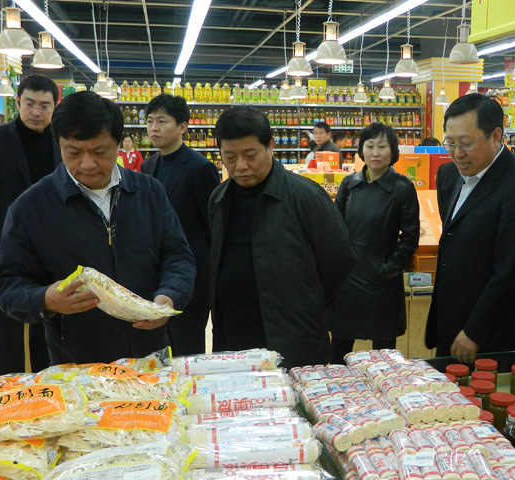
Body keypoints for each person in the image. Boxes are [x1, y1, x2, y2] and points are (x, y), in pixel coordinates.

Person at [0, 91, 196, 366]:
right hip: (78, 365)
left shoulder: (149, 192)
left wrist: (170, 296)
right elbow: (8, 287)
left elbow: (178, 255)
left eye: (100, 152)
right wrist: (45, 300)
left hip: (150, 354)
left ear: (119, 143)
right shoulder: (31, 207)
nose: (87, 164)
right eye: (73, 152)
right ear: (59, 144)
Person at [209, 106, 352, 368]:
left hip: (293, 342)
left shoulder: (305, 196)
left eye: (249, 155)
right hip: (233, 339)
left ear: (270, 146)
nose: (240, 166)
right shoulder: (219, 198)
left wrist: (306, 306)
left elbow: (338, 262)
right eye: (229, 157)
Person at [426, 93, 515, 359]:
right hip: (450, 322)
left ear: (495, 136)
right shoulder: (448, 174)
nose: (457, 154)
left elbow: (513, 271)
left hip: (494, 336)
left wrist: (475, 332)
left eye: (466, 143)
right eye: (450, 143)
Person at [0, 74, 61, 377]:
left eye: (44, 106)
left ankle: (50, 391)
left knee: (49, 333)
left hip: (52, 252)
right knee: (6, 336)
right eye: (30, 104)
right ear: (18, 103)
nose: (36, 112)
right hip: (7, 251)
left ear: (54, 107)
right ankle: (1, 394)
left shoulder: (63, 141)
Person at [328, 123, 420, 363]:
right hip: (348, 278)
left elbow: (410, 236)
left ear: (393, 151)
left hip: (382, 281)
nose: (375, 153)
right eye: (369, 146)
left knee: (384, 354)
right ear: (361, 150)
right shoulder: (349, 183)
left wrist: (388, 269)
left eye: (382, 146)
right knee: (339, 350)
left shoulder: (403, 187)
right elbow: (335, 228)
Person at [142, 94, 220, 355]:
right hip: (157, 273)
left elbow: (212, 226)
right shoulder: (148, 165)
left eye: (162, 121)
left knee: (187, 348)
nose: (154, 128)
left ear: (182, 127)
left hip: (192, 278)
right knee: (159, 347)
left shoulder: (200, 168)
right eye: (150, 121)